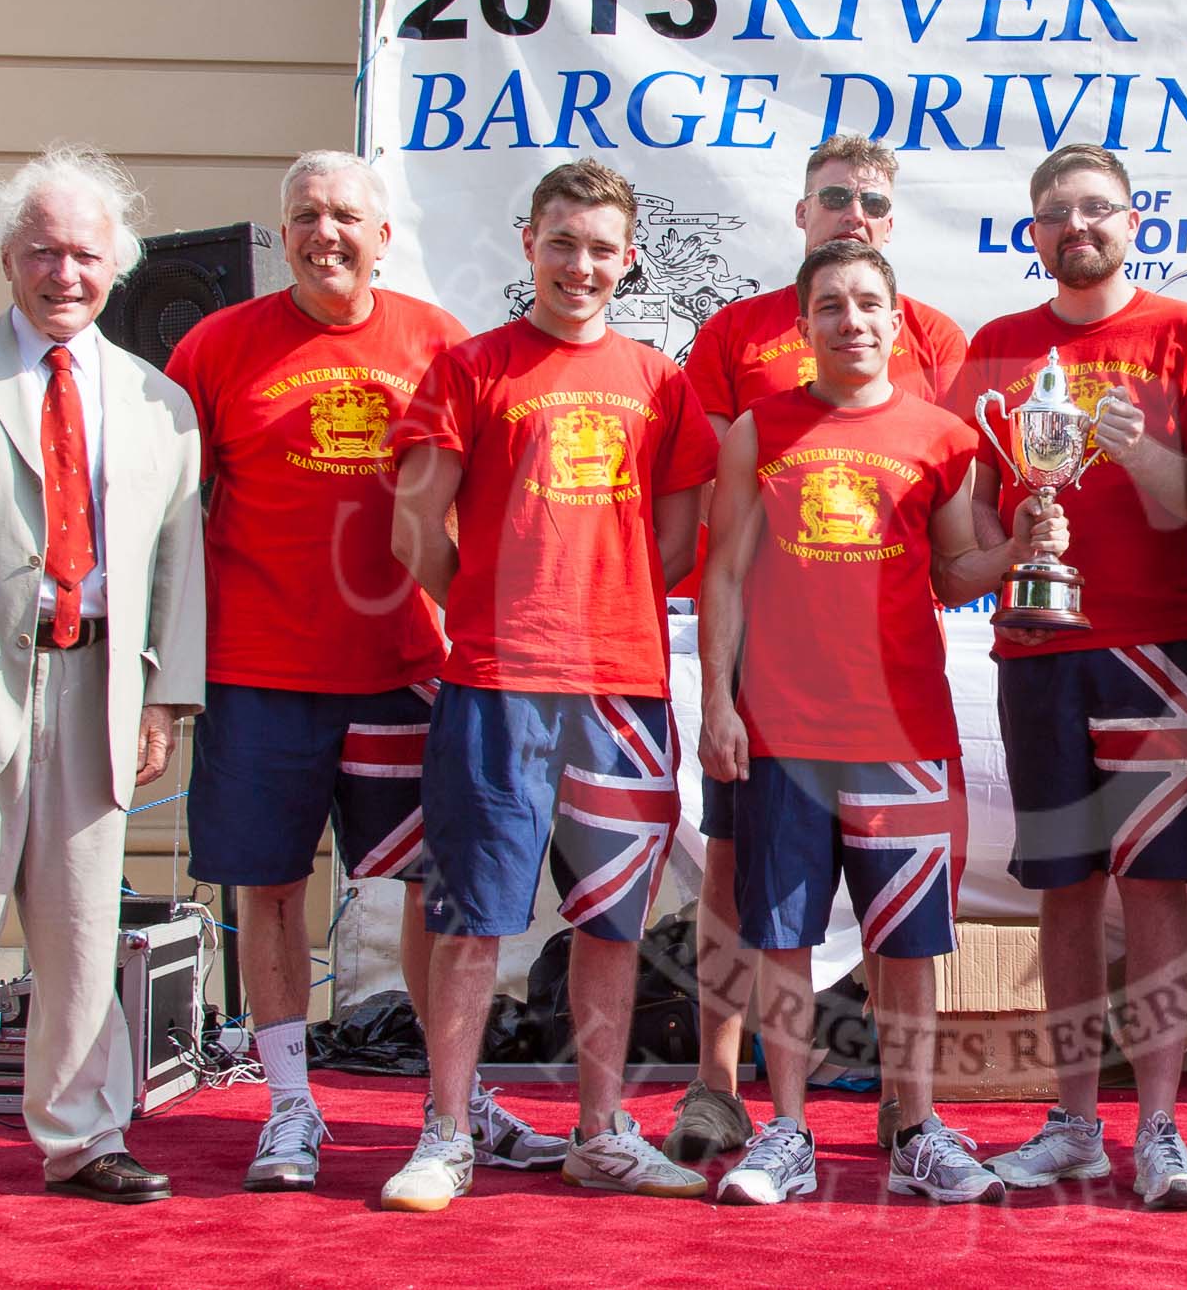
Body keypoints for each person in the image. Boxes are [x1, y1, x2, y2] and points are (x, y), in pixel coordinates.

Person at [167, 150, 561, 1192]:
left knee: (436, 891)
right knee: (269, 887)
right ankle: (290, 1107)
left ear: (382, 237)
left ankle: (455, 1096)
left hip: (408, 671)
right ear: (281, 233)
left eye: (345, 215)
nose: (324, 233)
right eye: (304, 216)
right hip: (259, 671)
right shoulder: (214, 348)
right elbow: (170, 520)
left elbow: (489, 511)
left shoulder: (439, 344)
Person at [698, 238, 1065, 1205]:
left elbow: (952, 574)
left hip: (903, 733)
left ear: (896, 323)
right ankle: (786, 1132)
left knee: (909, 945)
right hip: (783, 735)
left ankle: (916, 1128)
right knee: (782, 937)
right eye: (831, 305)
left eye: (868, 304)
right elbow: (723, 577)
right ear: (804, 323)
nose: (851, 320)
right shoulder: (754, 432)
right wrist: (718, 703)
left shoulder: (938, 437)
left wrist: (1019, 547)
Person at [382, 159, 718, 1212]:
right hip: (494, 681)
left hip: (621, 687)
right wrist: (490, 599)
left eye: (601, 248)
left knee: (612, 921)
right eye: (562, 241)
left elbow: (671, 538)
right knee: (471, 918)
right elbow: (414, 528)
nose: (581, 264)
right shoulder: (470, 368)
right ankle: (446, 1130)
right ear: (529, 242)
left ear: (628, 260)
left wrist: (597, 596)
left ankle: (601, 1131)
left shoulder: (660, 381)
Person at [670, 134, 967, 1162]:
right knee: (740, 884)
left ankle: (906, 1108)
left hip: (886, 695)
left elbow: (948, 536)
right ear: (800, 213)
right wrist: (720, 692)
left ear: (891, 228)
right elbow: (712, 512)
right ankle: (723, 1089)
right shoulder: (734, 337)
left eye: (873, 203)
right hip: (769, 687)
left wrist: (1023, 549)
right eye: (833, 196)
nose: (852, 212)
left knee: (901, 915)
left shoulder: (935, 340)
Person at [955, 144, 1187, 1210]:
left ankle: (1159, 1128)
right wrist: (1013, 542)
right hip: (1038, 646)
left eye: (1098, 210)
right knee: (1063, 891)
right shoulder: (997, 346)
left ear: (1132, 223)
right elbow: (970, 502)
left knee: (1154, 890)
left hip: (1158, 646)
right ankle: (1073, 1124)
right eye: (1057, 212)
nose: (1078, 227)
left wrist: (1143, 453)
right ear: (1033, 232)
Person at [0, 145, 205, 1202]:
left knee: (83, 928)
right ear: (7, 258)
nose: (65, 274)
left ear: (119, 267)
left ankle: (82, 1137)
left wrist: (164, 699)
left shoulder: (158, 404)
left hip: (99, 685)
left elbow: (178, 567)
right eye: (43, 251)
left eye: (86, 255)